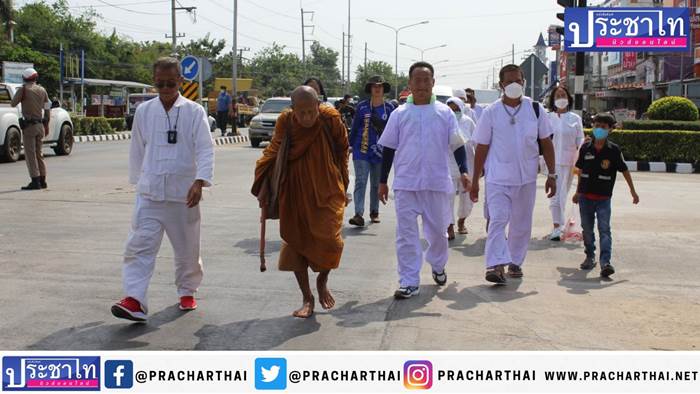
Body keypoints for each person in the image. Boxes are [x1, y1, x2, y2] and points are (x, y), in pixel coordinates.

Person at [111, 57, 214, 322]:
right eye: (160, 84)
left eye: (171, 83)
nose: (166, 88)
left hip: (184, 195)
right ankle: (135, 299)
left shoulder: (194, 111)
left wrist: (200, 181)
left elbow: (205, 148)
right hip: (150, 193)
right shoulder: (145, 111)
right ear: (154, 82)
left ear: (181, 81)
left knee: (187, 249)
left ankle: (187, 289)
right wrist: (138, 183)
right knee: (138, 246)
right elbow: (137, 148)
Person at [252, 86, 349, 318]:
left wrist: (343, 182)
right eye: (301, 112)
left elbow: (342, 149)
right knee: (295, 243)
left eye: (310, 111)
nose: (306, 117)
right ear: (293, 109)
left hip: (327, 187)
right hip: (294, 188)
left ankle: (323, 279)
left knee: (331, 241)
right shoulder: (286, 121)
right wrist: (263, 181)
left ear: (318, 105)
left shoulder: (330, 119)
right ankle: (307, 297)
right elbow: (274, 149)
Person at [378, 62, 470, 299]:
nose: (421, 85)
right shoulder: (399, 114)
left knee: (438, 232)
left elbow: (457, 144)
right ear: (409, 84)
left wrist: (464, 170)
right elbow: (388, 148)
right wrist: (382, 181)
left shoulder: (444, 112)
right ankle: (409, 280)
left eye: (425, 80)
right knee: (406, 235)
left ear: (433, 83)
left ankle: (438, 264)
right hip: (407, 184)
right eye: (416, 80)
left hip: (436, 183)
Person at [470, 64, 556, 285]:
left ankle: (515, 261)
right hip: (497, 178)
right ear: (501, 85)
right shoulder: (491, 112)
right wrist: (475, 181)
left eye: (518, 80)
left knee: (521, 224)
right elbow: (481, 146)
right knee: (497, 219)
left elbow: (546, 143)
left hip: (526, 178)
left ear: (524, 82)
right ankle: (496, 265)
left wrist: (552, 174)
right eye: (509, 82)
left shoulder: (536, 109)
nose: (514, 85)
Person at [572, 113, 639, 278]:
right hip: (586, 197)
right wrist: (577, 192)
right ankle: (590, 255)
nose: (599, 129)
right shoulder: (585, 148)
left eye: (603, 127)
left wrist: (633, 191)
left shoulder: (614, 150)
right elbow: (580, 171)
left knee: (604, 230)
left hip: (603, 199)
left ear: (610, 129)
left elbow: (624, 170)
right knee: (587, 229)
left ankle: (605, 263)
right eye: (597, 126)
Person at [348, 75, 395, 226]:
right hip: (361, 150)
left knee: (376, 183)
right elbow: (355, 128)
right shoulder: (362, 106)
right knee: (361, 181)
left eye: (380, 86)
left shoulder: (389, 108)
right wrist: (349, 145)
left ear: (383, 89)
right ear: (370, 89)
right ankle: (358, 214)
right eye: (374, 86)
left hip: (381, 152)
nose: (377, 88)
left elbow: (394, 131)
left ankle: (374, 211)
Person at [546, 86, 584, 241]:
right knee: (555, 196)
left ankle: (559, 226)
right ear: (553, 100)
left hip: (569, 162)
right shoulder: (547, 118)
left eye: (563, 95)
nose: (560, 98)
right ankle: (558, 226)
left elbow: (580, 141)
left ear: (568, 98)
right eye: (557, 96)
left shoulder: (575, 119)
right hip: (551, 162)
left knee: (563, 195)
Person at [11, 68, 50, 190]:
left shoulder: (24, 89)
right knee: (39, 154)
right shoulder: (42, 89)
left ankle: (35, 181)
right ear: (35, 78)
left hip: (29, 127)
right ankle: (43, 180)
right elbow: (47, 106)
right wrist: (47, 123)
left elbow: (13, 103)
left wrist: (21, 94)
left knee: (30, 154)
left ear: (24, 78)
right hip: (40, 126)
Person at [445, 97, 476, 239]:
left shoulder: (468, 122)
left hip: (467, 165)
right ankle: (449, 225)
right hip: (448, 165)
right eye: (450, 108)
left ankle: (461, 221)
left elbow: (476, 142)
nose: (453, 111)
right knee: (448, 197)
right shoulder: (444, 121)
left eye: (456, 108)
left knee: (466, 198)